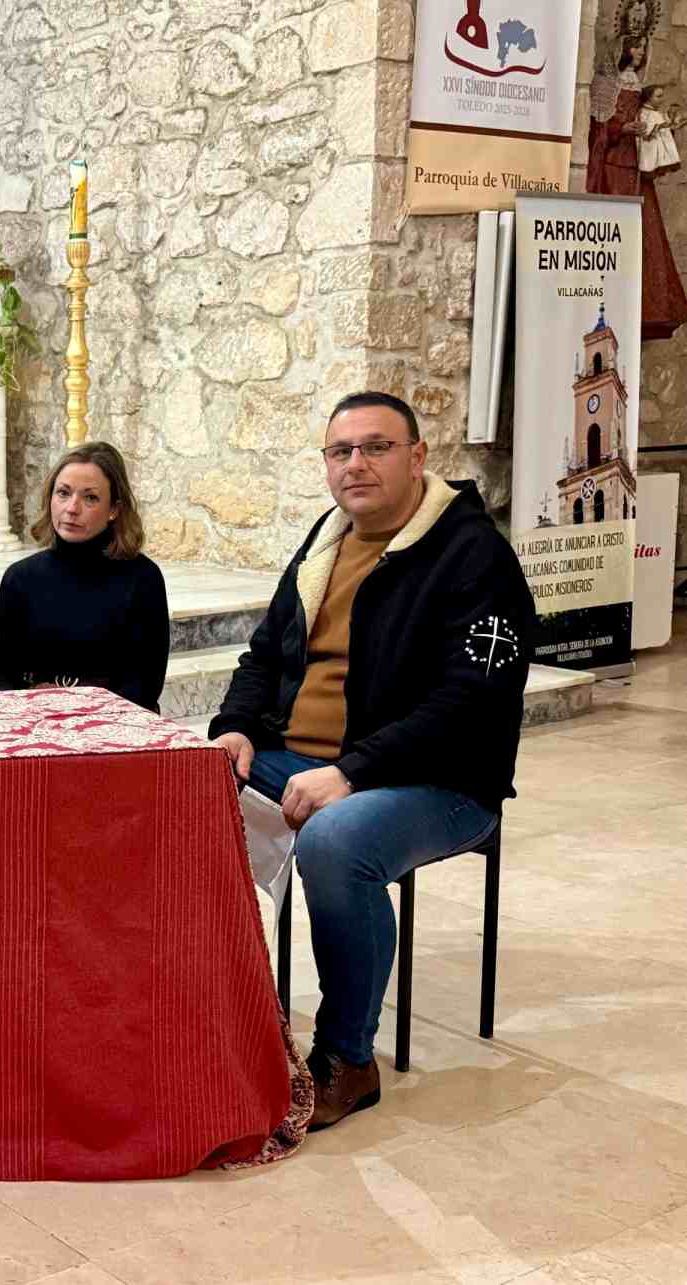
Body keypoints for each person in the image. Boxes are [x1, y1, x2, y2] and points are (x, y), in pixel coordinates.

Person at [207, 392, 534, 1132]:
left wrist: (353, 771)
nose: (356, 464)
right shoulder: (326, 540)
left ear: (418, 457)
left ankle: (347, 1058)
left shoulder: (472, 555)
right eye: (341, 450)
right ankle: (215, 1018)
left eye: (376, 447)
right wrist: (236, 730)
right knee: (182, 787)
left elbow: (470, 702)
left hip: (439, 779)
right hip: (305, 758)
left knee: (336, 841)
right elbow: (265, 655)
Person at [0, 441, 169, 711]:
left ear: (114, 509)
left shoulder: (143, 578)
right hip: (33, 721)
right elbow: (0, 676)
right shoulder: (20, 578)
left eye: (90, 498)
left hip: (116, 724)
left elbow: (144, 686)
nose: (72, 508)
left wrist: (74, 714)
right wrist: (34, 713)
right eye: (63, 493)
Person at [588, 41, 687, 339]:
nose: (641, 53)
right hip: (614, 168)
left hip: (637, 168)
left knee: (645, 238)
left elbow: (647, 119)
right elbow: (597, 128)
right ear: (623, 49)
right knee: (615, 237)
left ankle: (643, 310)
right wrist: (622, 129)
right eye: (636, 47)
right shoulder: (606, 82)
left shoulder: (638, 84)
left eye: (644, 48)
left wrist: (663, 127)